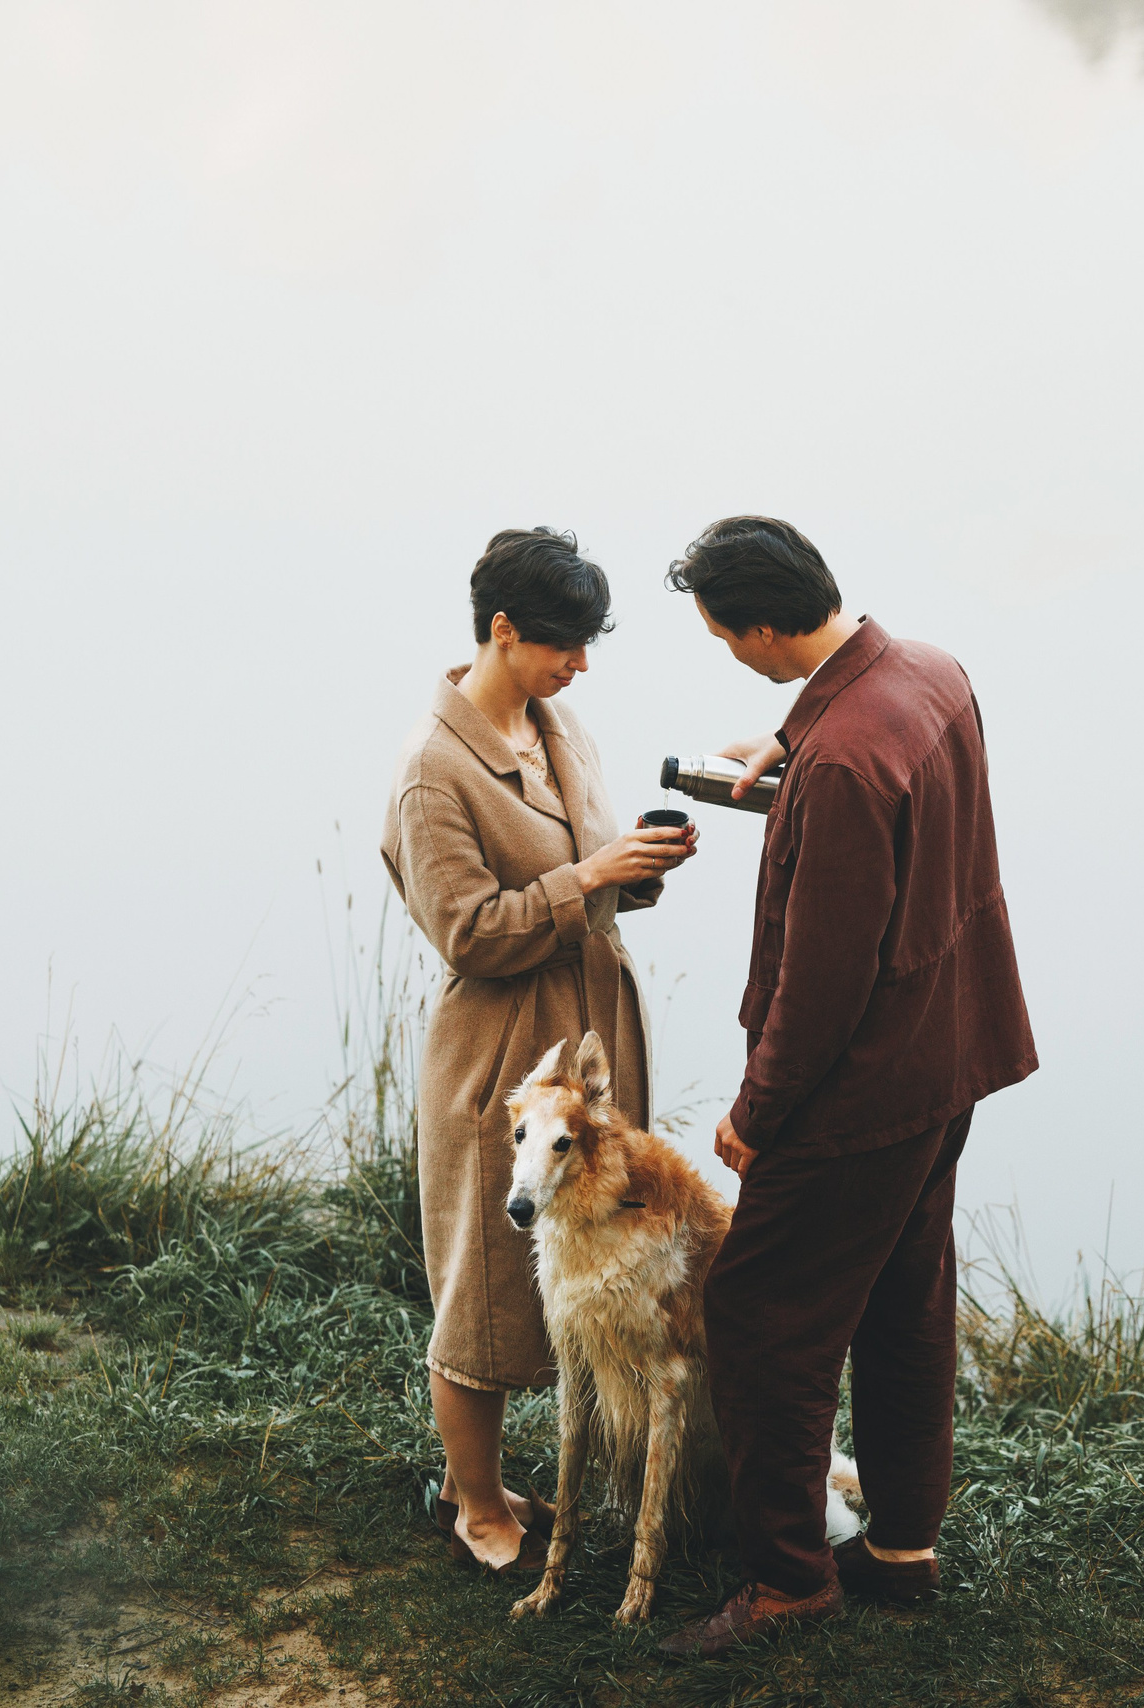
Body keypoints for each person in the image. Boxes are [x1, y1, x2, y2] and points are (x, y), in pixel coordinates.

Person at [654, 516, 1036, 1658]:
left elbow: (822, 984)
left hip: (857, 1092)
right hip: (949, 1051)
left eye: (726, 634)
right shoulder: (927, 672)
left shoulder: (844, 765)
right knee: (906, 1293)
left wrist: (753, 1115)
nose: (726, 649)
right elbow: (871, 774)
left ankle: (787, 1583)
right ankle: (902, 1546)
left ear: (765, 625)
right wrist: (788, 744)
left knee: (760, 1315)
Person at [380, 527, 697, 1572]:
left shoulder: (561, 728)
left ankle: (554, 1475)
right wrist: (593, 872)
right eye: (563, 641)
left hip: (590, 1045)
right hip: (502, 1056)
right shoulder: (432, 772)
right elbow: (468, 931)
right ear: (502, 629)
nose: (580, 662)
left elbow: (585, 868)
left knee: (593, 1258)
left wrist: (637, 866)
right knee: (481, 1279)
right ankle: (474, 1503)